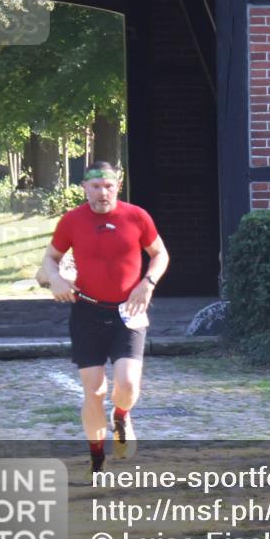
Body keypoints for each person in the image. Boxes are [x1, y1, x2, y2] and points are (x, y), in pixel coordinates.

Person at [41, 161, 169, 474]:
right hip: (87, 312)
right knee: (94, 390)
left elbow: (160, 254)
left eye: (108, 186)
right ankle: (97, 458)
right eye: (95, 187)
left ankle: (122, 416)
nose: (102, 193)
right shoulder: (72, 220)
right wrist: (55, 279)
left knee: (126, 384)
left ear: (118, 185)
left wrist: (148, 283)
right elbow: (50, 259)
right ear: (84, 187)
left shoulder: (136, 216)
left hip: (130, 310)